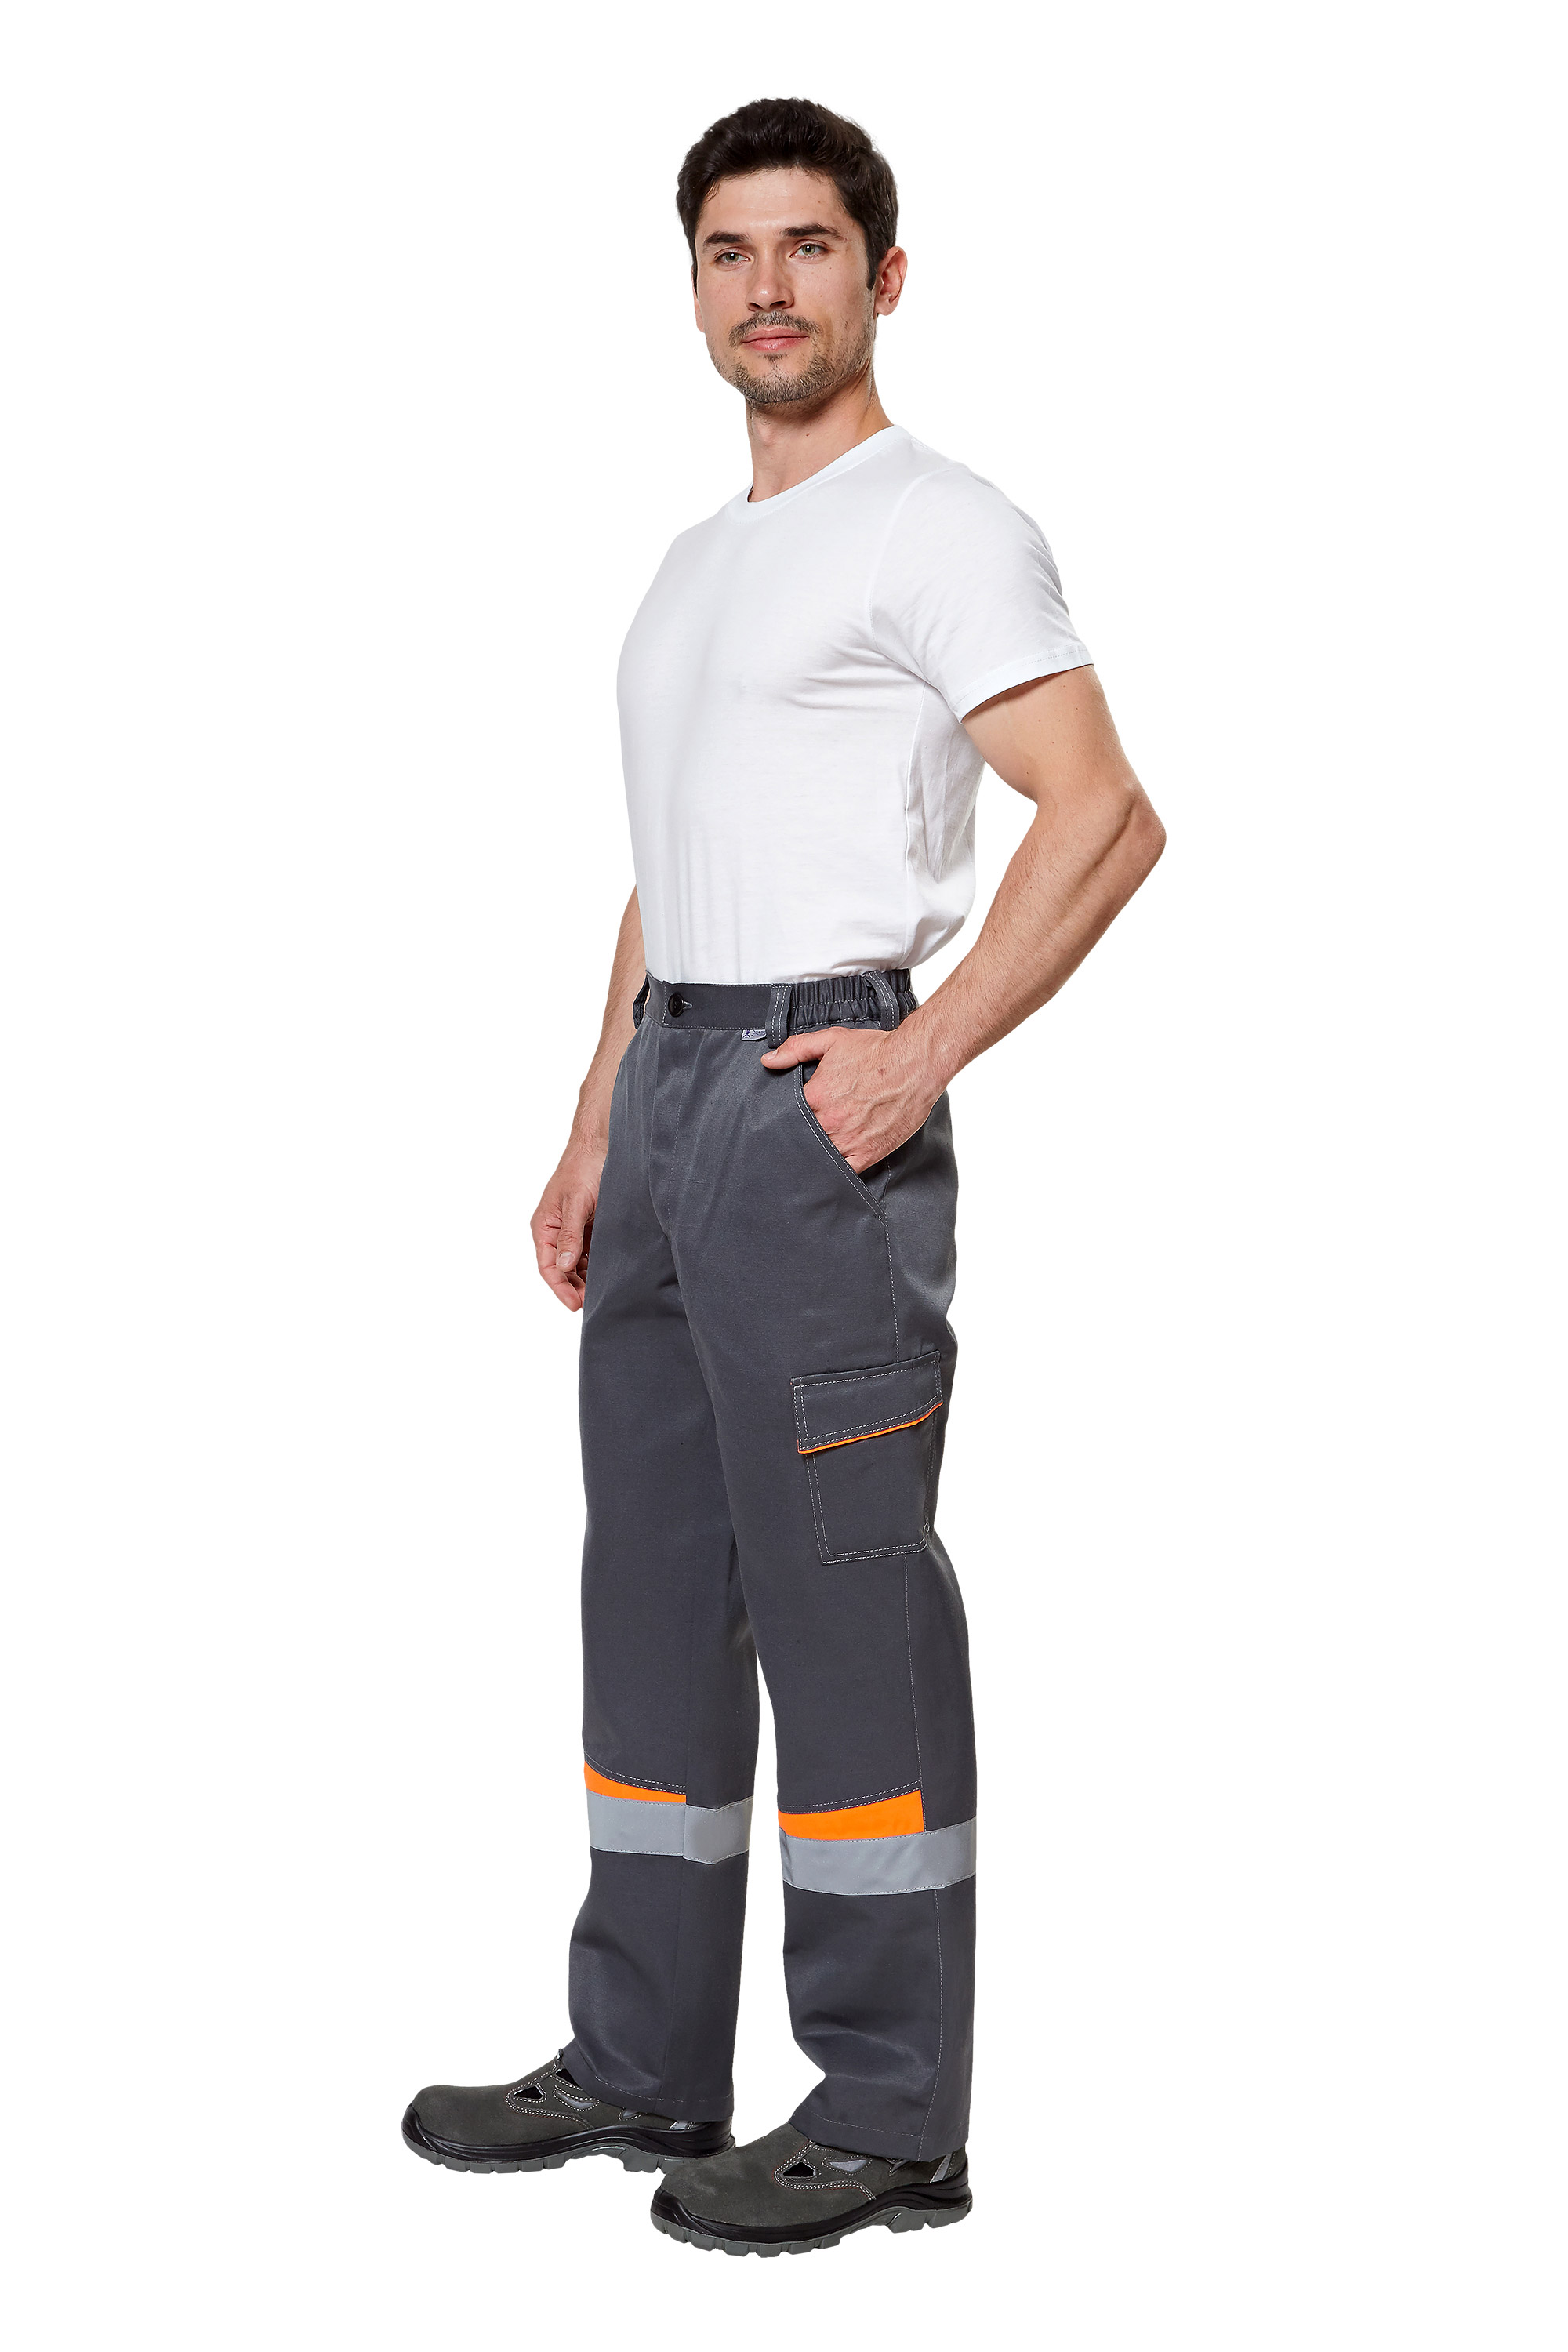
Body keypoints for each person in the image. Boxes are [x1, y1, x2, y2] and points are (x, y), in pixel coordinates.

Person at [402, 95, 1165, 2257]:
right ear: (694, 290)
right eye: (731, 251)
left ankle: (894, 2110)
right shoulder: (695, 565)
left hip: (818, 1097)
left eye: (810, 247)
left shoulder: (943, 527)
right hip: (674, 1097)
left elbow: (1105, 811)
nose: (769, 286)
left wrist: (922, 1051)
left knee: (843, 1594)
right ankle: (643, 2056)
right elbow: (670, 871)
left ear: (883, 279)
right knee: (650, 1587)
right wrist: (595, 1123)